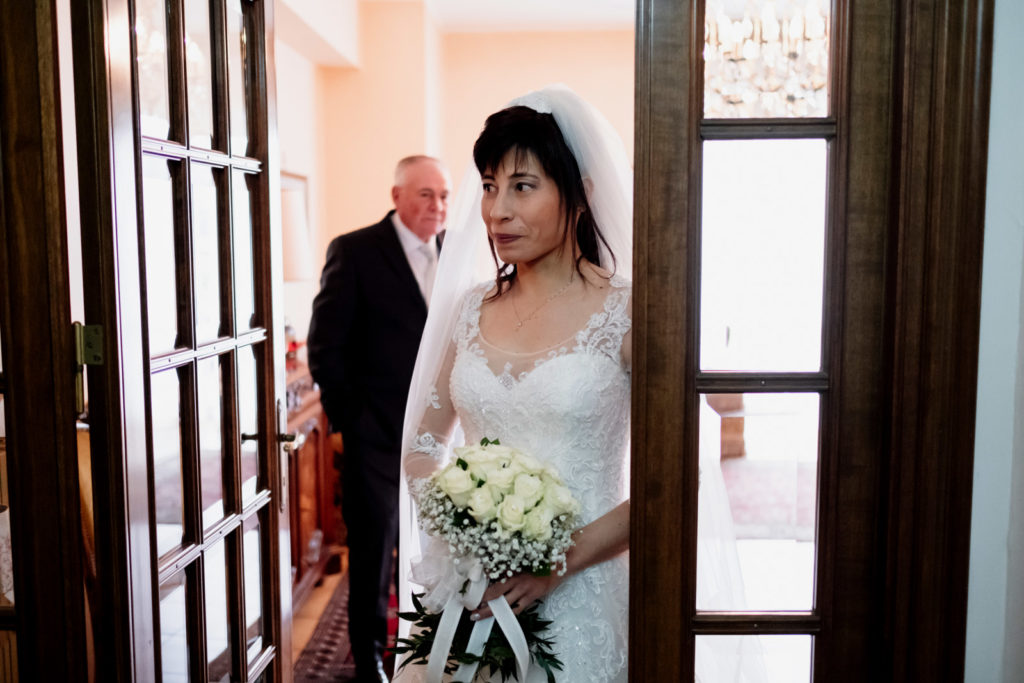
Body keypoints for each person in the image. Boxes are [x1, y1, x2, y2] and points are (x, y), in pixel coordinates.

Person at [396, 86, 764, 682]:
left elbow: (676, 473)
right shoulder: (469, 310)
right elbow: (423, 447)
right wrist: (462, 532)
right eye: (490, 186)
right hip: (474, 592)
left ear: (582, 196)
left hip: (584, 594)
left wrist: (555, 563)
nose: (498, 211)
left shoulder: (629, 313)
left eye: (522, 186)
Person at [308, 155, 450, 683]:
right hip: (378, 436)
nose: (437, 207)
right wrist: (355, 425)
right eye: (425, 195)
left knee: (440, 543)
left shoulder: (458, 250)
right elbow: (325, 348)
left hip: (444, 436)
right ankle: (369, 660)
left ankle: (432, 648)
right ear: (397, 196)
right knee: (376, 549)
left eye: (444, 196)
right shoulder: (355, 251)